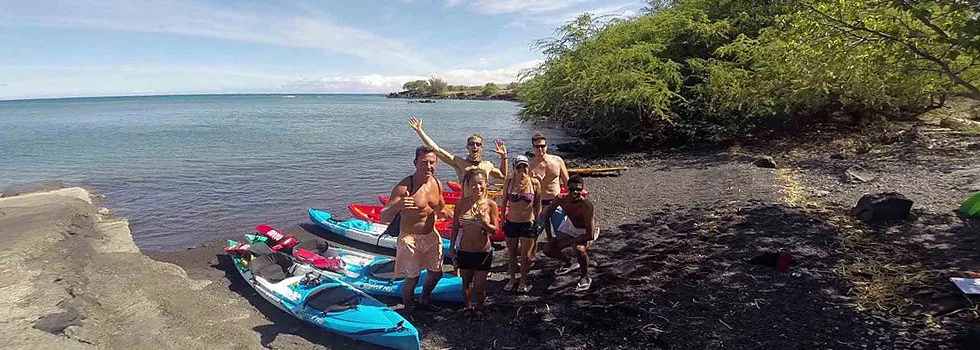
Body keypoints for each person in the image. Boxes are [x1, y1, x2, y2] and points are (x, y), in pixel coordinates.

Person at [380, 146, 447, 313]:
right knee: (413, 278)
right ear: (416, 163)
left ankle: (424, 299)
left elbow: (442, 210)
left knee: (436, 273)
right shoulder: (404, 187)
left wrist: (464, 216)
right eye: (424, 162)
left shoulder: (437, 184)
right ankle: (408, 308)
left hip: (431, 236)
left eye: (432, 163)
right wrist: (398, 205)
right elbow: (383, 216)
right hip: (409, 239)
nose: (429, 166)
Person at [449, 168, 498, 316]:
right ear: (468, 186)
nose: (478, 187)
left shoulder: (491, 205)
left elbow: (495, 231)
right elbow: (456, 227)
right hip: (464, 250)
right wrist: (452, 247)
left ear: (486, 184)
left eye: (481, 184)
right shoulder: (461, 204)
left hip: (483, 252)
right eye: (474, 184)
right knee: (465, 283)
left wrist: (484, 222)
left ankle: (481, 306)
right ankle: (469, 307)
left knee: (479, 286)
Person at [538, 175, 598, 292]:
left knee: (579, 249)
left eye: (578, 190)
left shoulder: (586, 206)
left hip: (587, 229)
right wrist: (549, 236)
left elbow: (589, 235)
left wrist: (570, 242)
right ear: (567, 188)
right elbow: (547, 214)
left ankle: (584, 277)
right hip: (571, 226)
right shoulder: (561, 199)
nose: (575, 192)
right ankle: (570, 261)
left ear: (583, 189)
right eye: (572, 189)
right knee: (548, 249)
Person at [408, 117, 508, 183]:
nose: (475, 146)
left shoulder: (488, 165)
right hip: (465, 205)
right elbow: (436, 149)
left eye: (478, 144)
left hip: (483, 205)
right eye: (471, 144)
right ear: (467, 147)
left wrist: (504, 157)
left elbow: (503, 176)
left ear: (482, 147)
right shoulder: (459, 162)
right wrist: (420, 131)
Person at [500, 155, 542, 293]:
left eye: (525, 167)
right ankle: (512, 279)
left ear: (528, 168)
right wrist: (501, 219)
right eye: (519, 167)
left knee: (526, 256)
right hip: (512, 222)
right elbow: (504, 201)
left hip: (528, 223)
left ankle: (523, 281)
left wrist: (537, 219)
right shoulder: (509, 182)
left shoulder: (534, 183)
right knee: (511, 254)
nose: (522, 170)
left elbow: (538, 203)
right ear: (514, 168)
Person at [528, 132, 568, 238]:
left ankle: (558, 249)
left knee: (561, 232)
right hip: (539, 204)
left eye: (543, 146)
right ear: (533, 147)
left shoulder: (557, 161)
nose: (540, 149)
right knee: (534, 232)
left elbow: (566, 181)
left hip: (556, 201)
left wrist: (570, 202)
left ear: (547, 146)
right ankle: (532, 252)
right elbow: (525, 187)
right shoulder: (530, 165)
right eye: (537, 146)